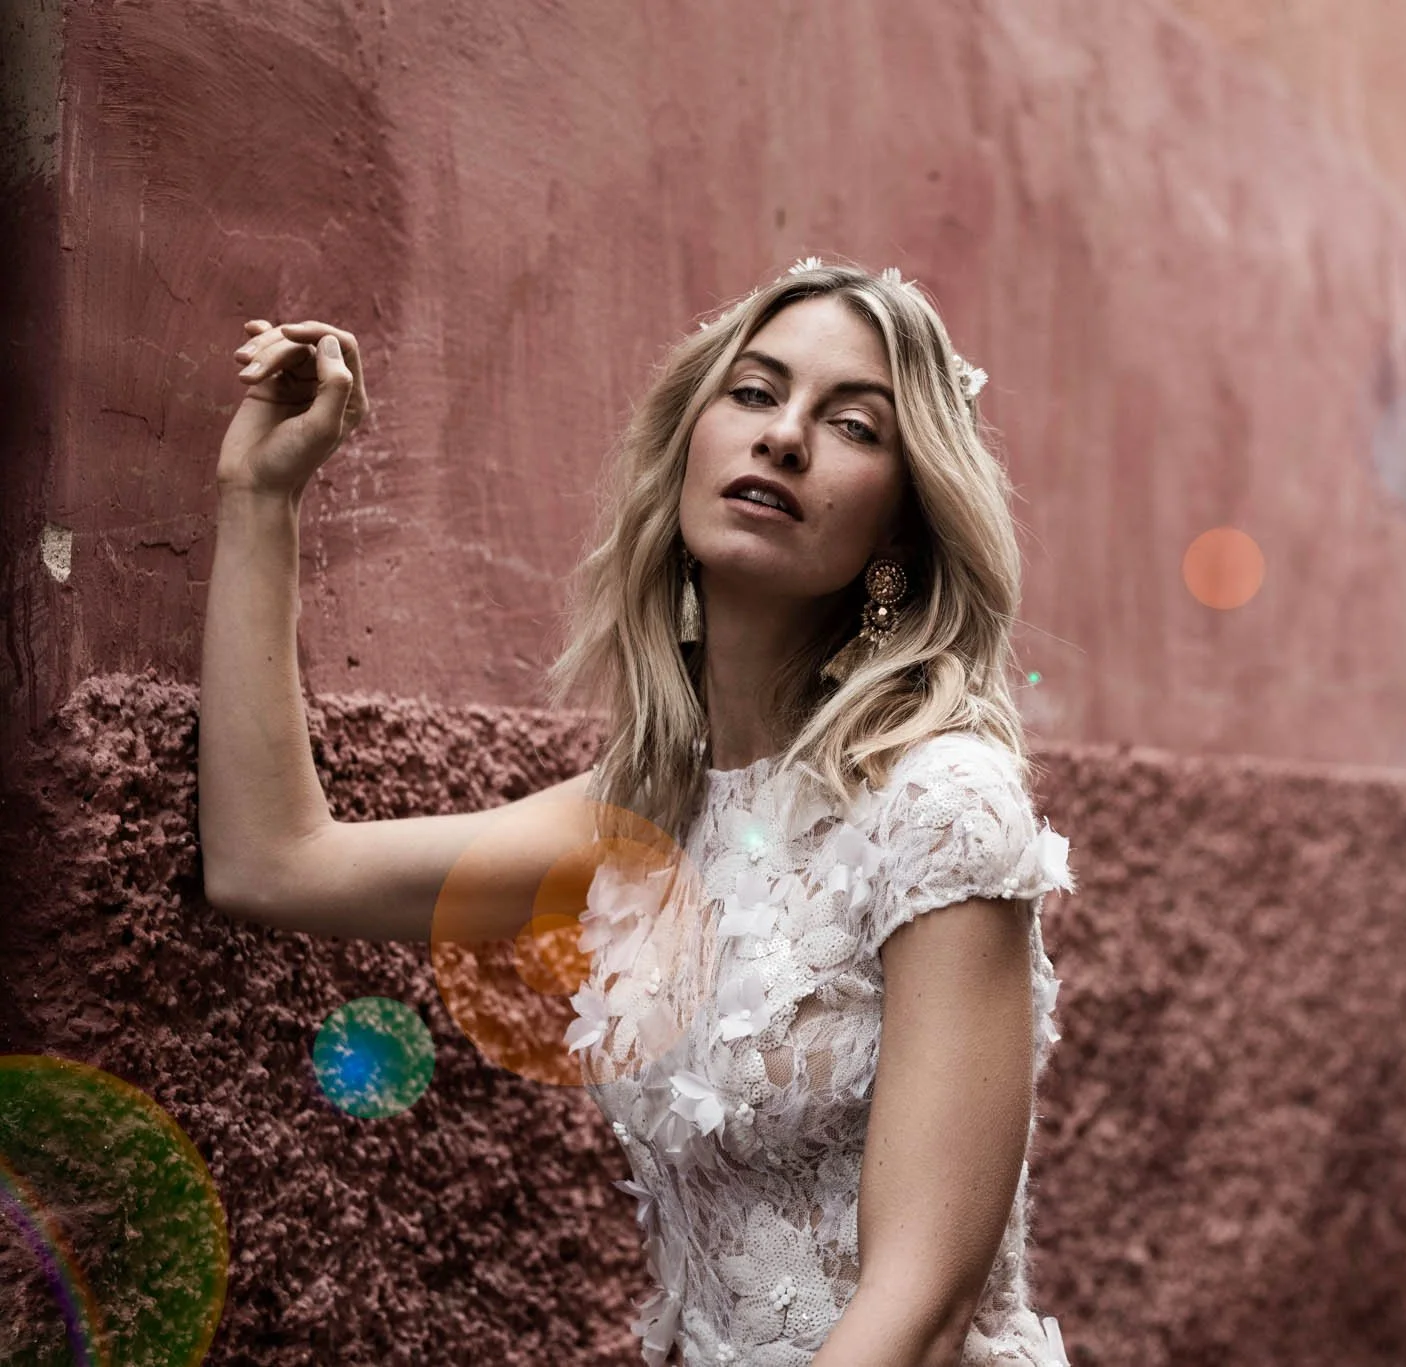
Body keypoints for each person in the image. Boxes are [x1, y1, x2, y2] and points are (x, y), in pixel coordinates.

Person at [198, 258, 1077, 1367]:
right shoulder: (643, 816)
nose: (784, 436)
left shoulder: (941, 806)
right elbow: (271, 862)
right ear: (689, 448)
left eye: (853, 424)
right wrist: (259, 496)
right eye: (753, 393)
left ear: (899, 533)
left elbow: (917, 1310)